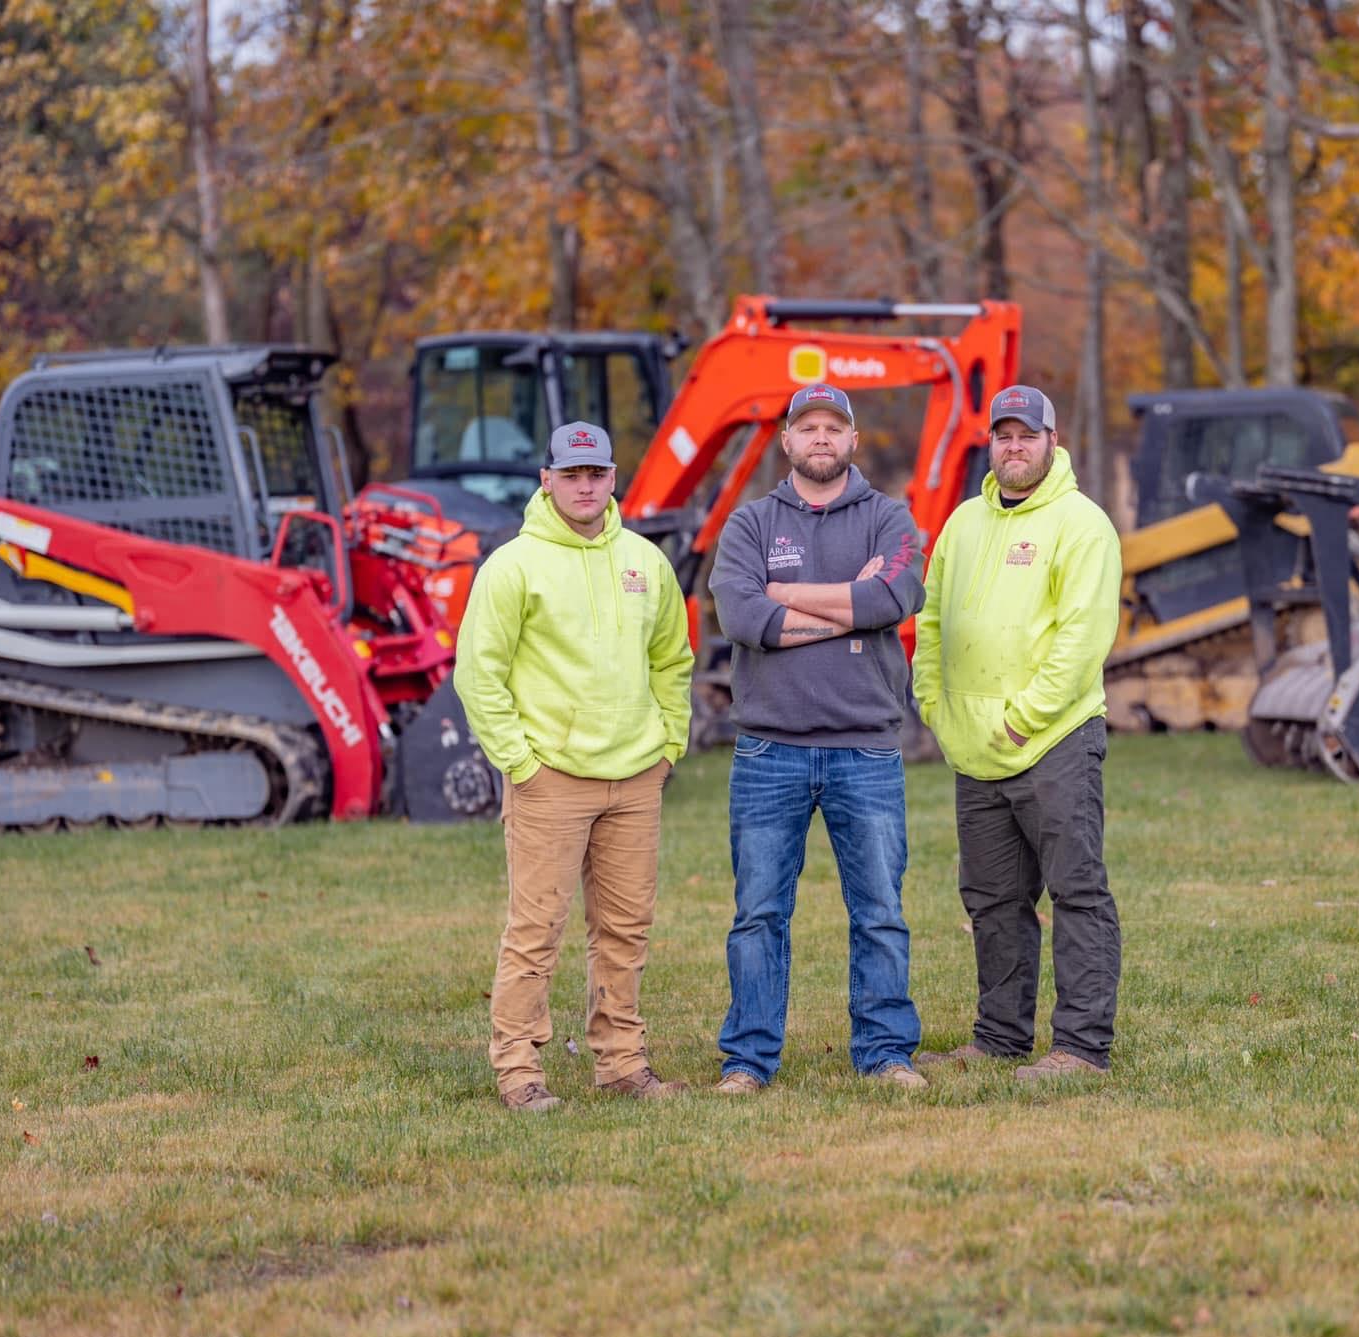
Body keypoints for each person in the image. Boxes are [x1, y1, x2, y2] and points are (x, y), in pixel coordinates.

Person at [453, 420, 694, 1110]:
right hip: (550, 779)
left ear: (613, 478)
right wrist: (520, 765)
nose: (585, 487)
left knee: (625, 929)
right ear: (547, 480)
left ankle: (622, 1062)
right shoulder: (513, 566)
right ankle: (518, 1070)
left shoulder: (646, 561)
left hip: (636, 775)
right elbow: (479, 674)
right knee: (536, 932)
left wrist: (669, 744)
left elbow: (672, 659)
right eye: (571, 475)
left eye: (596, 475)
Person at [706, 382, 930, 1093]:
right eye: (810, 428)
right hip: (769, 750)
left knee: (881, 913)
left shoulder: (891, 522)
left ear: (853, 441)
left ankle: (887, 1052)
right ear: (788, 442)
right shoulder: (749, 524)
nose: (823, 438)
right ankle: (748, 1060)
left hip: (865, 749)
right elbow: (741, 616)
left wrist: (784, 595)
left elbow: (893, 599)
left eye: (835, 426)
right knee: (759, 915)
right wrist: (847, 606)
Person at [911, 385, 1124, 1081]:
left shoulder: (1082, 525)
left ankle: (1081, 1048)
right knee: (994, 901)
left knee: (1077, 891)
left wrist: (1022, 716)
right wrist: (933, 701)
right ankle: (1000, 1037)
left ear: (1050, 441)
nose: (1013, 446)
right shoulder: (963, 524)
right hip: (974, 749)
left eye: (1025, 435)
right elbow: (934, 617)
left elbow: (1080, 639)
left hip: (1054, 742)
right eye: (1002, 435)